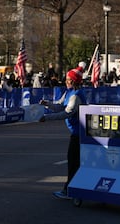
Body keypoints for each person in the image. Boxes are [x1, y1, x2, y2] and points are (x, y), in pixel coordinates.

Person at [39, 67, 87, 200]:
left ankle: (70, 190)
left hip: (79, 133)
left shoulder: (76, 96)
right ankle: (73, 188)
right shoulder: (69, 93)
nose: (66, 82)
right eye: (66, 80)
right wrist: (47, 104)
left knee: (73, 162)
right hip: (75, 132)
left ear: (74, 81)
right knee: (74, 162)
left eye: (69, 80)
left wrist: (47, 118)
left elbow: (66, 113)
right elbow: (60, 106)